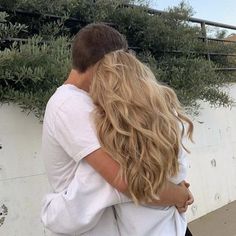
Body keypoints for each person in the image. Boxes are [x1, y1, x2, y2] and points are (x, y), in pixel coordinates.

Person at [41, 23, 193, 236]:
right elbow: (127, 181)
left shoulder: (89, 101)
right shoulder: (70, 103)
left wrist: (173, 182)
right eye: (117, 64)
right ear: (105, 64)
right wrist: (178, 194)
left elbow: (138, 161)